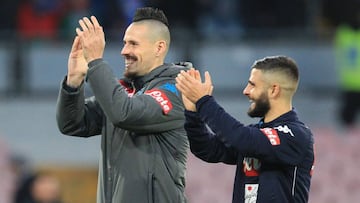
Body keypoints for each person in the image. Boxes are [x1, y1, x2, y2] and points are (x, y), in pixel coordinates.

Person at [56, 7, 190, 203]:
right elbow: (72, 123)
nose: (124, 51)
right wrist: (74, 81)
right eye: (125, 43)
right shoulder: (125, 91)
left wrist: (95, 61)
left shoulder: (177, 89)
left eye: (133, 44)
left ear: (159, 48)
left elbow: (125, 113)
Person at [176, 55, 315, 203]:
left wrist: (204, 101)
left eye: (253, 85)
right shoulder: (257, 134)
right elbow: (208, 149)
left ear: (274, 90)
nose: (245, 91)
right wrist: (193, 114)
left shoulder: (296, 135)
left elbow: (242, 139)